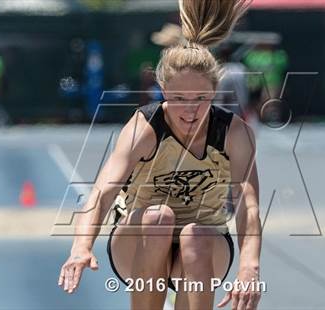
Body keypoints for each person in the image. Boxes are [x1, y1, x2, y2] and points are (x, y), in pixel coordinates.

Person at [58, 1, 262, 310]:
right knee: (159, 218)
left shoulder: (234, 133)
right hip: (139, 240)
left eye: (201, 99)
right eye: (179, 98)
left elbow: (248, 204)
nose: (191, 110)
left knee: (195, 235)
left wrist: (249, 267)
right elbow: (103, 192)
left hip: (205, 245)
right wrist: (80, 247)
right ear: (163, 90)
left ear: (215, 93)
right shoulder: (145, 128)